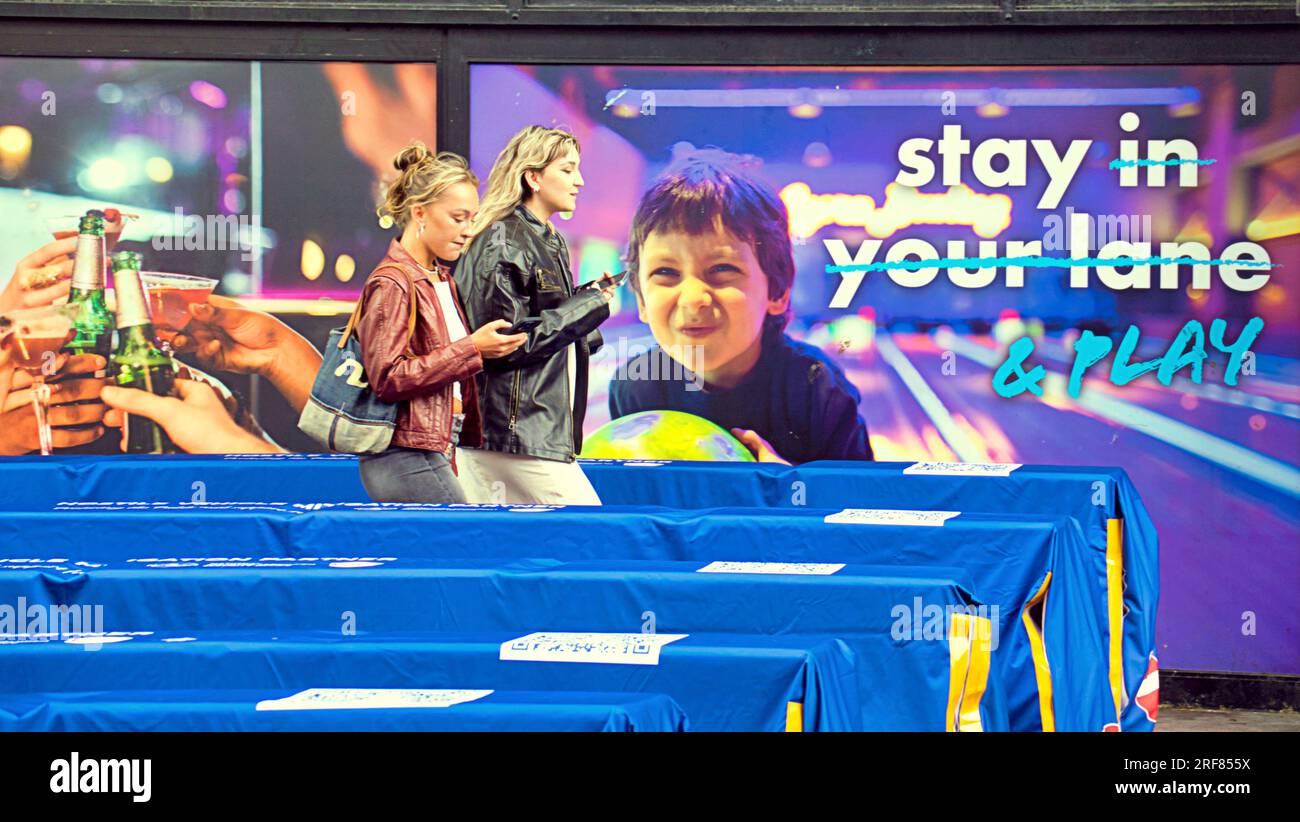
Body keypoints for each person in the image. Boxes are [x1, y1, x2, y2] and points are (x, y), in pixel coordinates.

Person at [608, 149, 872, 464]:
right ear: (640, 299)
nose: (693, 298)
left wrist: (787, 488)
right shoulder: (638, 387)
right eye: (665, 273)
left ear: (777, 291)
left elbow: (857, 506)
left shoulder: (816, 390)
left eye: (722, 270)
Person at [453, 125, 618, 505]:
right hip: (512, 434)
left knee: (512, 548)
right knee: (591, 534)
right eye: (567, 169)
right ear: (533, 177)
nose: (579, 181)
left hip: (530, 433)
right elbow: (505, 342)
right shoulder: (502, 240)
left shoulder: (550, 239)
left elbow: (548, 323)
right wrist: (589, 306)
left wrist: (589, 299)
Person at [352, 142, 526, 503]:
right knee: (466, 546)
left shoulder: (439, 278)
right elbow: (387, 378)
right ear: (419, 214)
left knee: (446, 553)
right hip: (402, 453)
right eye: (457, 218)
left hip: (435, 444)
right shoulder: (393, 282)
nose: (467, 230)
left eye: (472, 219)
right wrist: (473, 348)